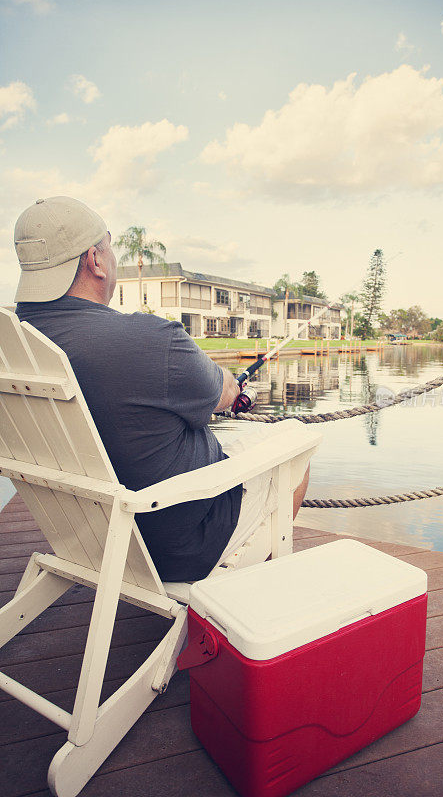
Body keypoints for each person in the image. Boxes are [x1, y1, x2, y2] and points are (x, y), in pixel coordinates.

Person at [13, 196, 309, 581]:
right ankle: (240, 591)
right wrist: (233, 387)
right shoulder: (147, 339)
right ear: (95, 261)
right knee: (296, 443)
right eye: (109, 245)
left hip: (82, 537)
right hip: (178, 545)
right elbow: (223, 396)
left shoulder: (15, 345)